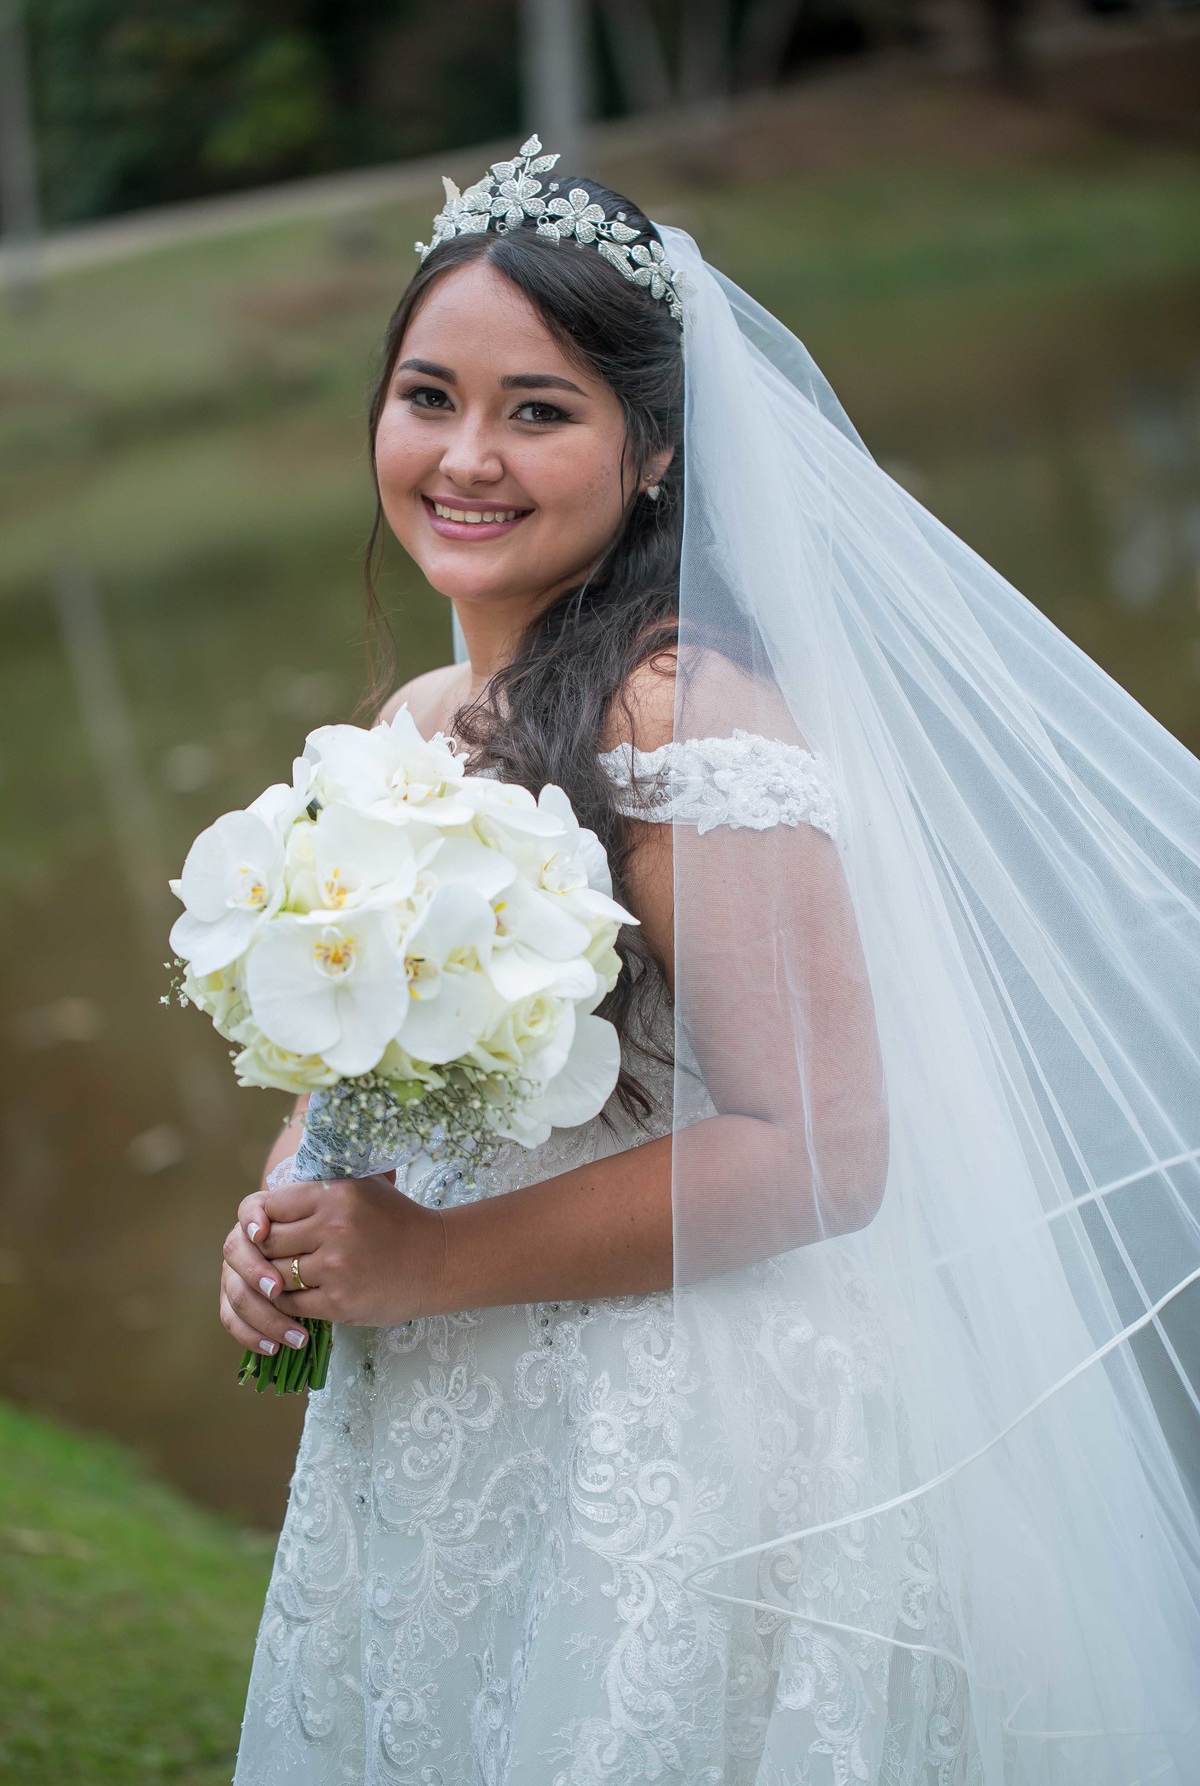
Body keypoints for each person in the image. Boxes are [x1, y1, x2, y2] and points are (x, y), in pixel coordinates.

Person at [222, 138, 1200, 1784]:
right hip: (456, 1413)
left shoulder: (684, 719)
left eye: (539, 409)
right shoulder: (407, 727)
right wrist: (291, 1219)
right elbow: (365, 1069)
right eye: (427, 395)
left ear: (654, 447)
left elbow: (818, 1148)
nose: (466, 456)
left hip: (675, 1431)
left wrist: (424, 1267)